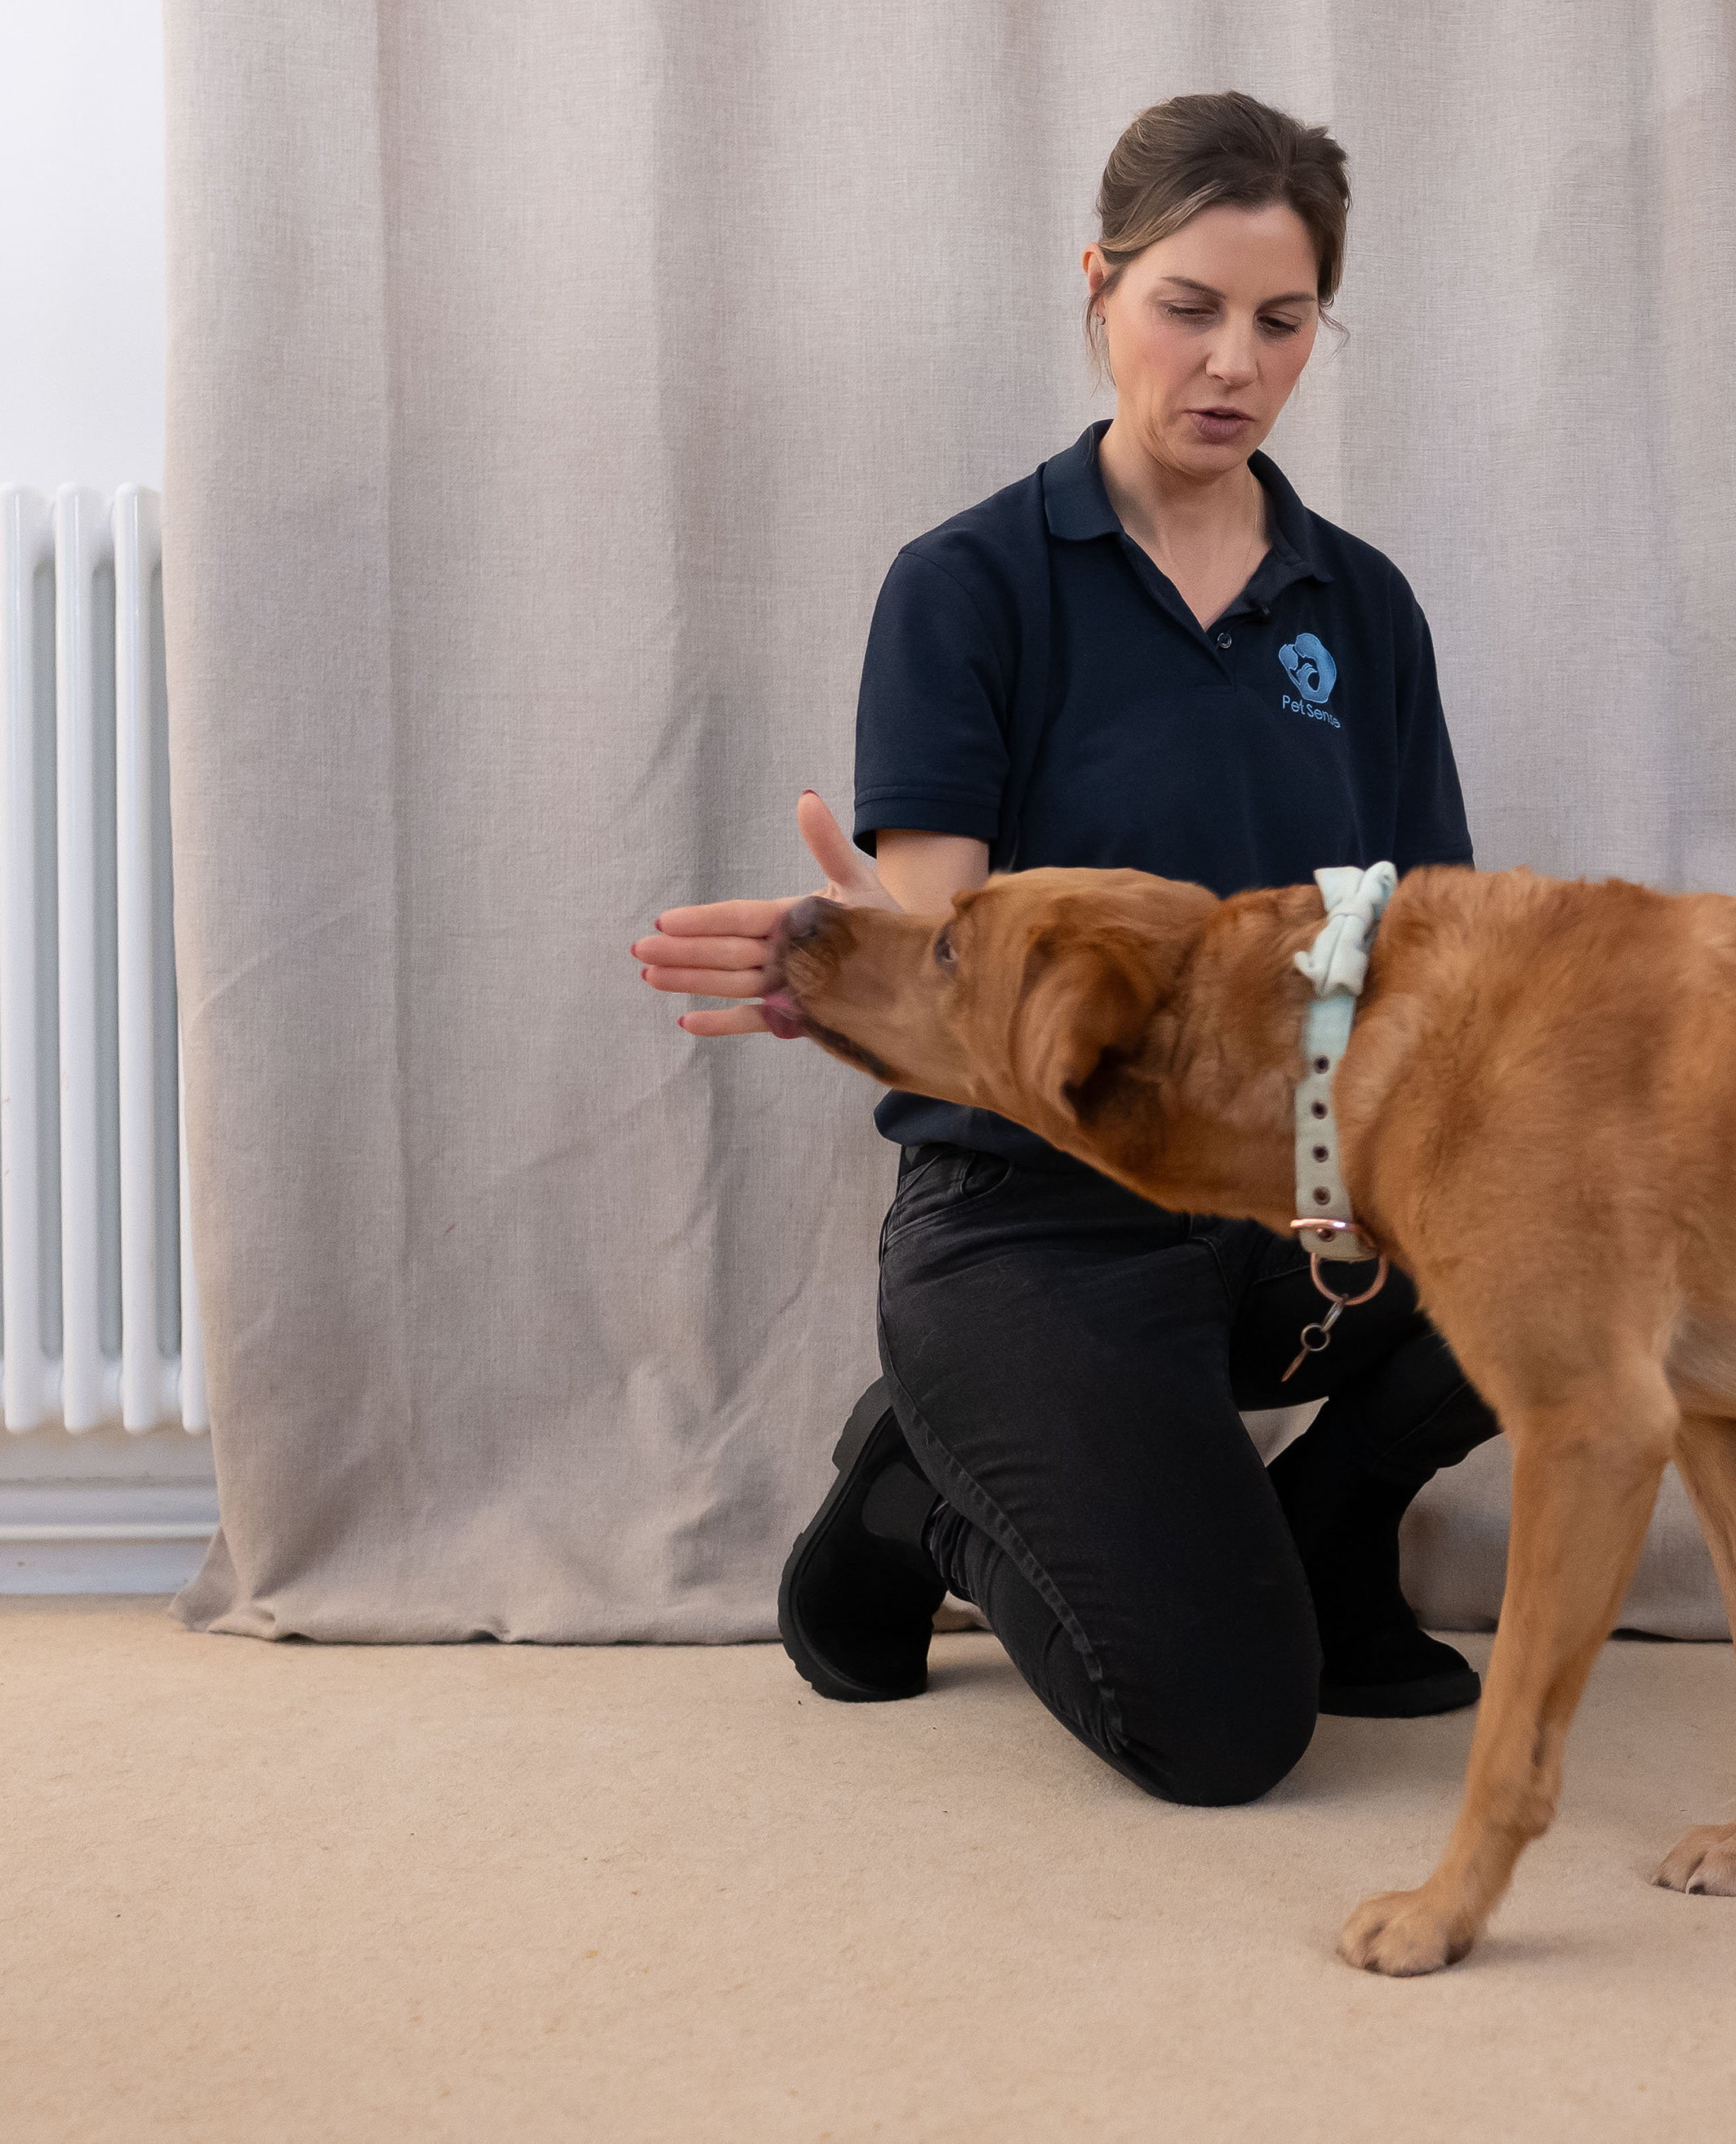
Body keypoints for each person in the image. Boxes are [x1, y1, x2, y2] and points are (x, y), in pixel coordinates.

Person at [628, 91, 1499, 1807]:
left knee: (1590, 1248)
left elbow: (1431, 941)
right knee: (1228, 1733)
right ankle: (927, 1479)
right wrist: (856, 966)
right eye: (1186, 306)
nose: (1229, 361)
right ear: (1098, 287)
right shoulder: (970, 583)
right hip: (1039, 1219)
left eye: (1280, 318)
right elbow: (953, 948)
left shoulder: (1360, 604)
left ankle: (1322, 1545)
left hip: (1287, 1202)